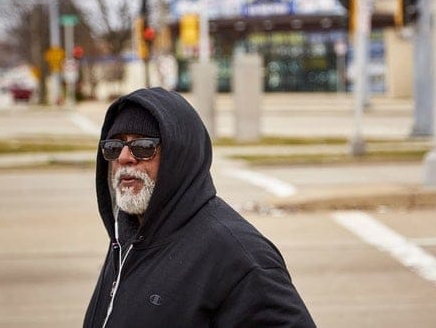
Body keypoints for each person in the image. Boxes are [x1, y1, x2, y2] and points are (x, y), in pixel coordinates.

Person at [83, 88, 315, 327]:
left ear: (179, 155)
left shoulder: (239, 257)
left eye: (143, 146)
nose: (124, 157)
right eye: (114, 147)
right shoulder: (127, 241)